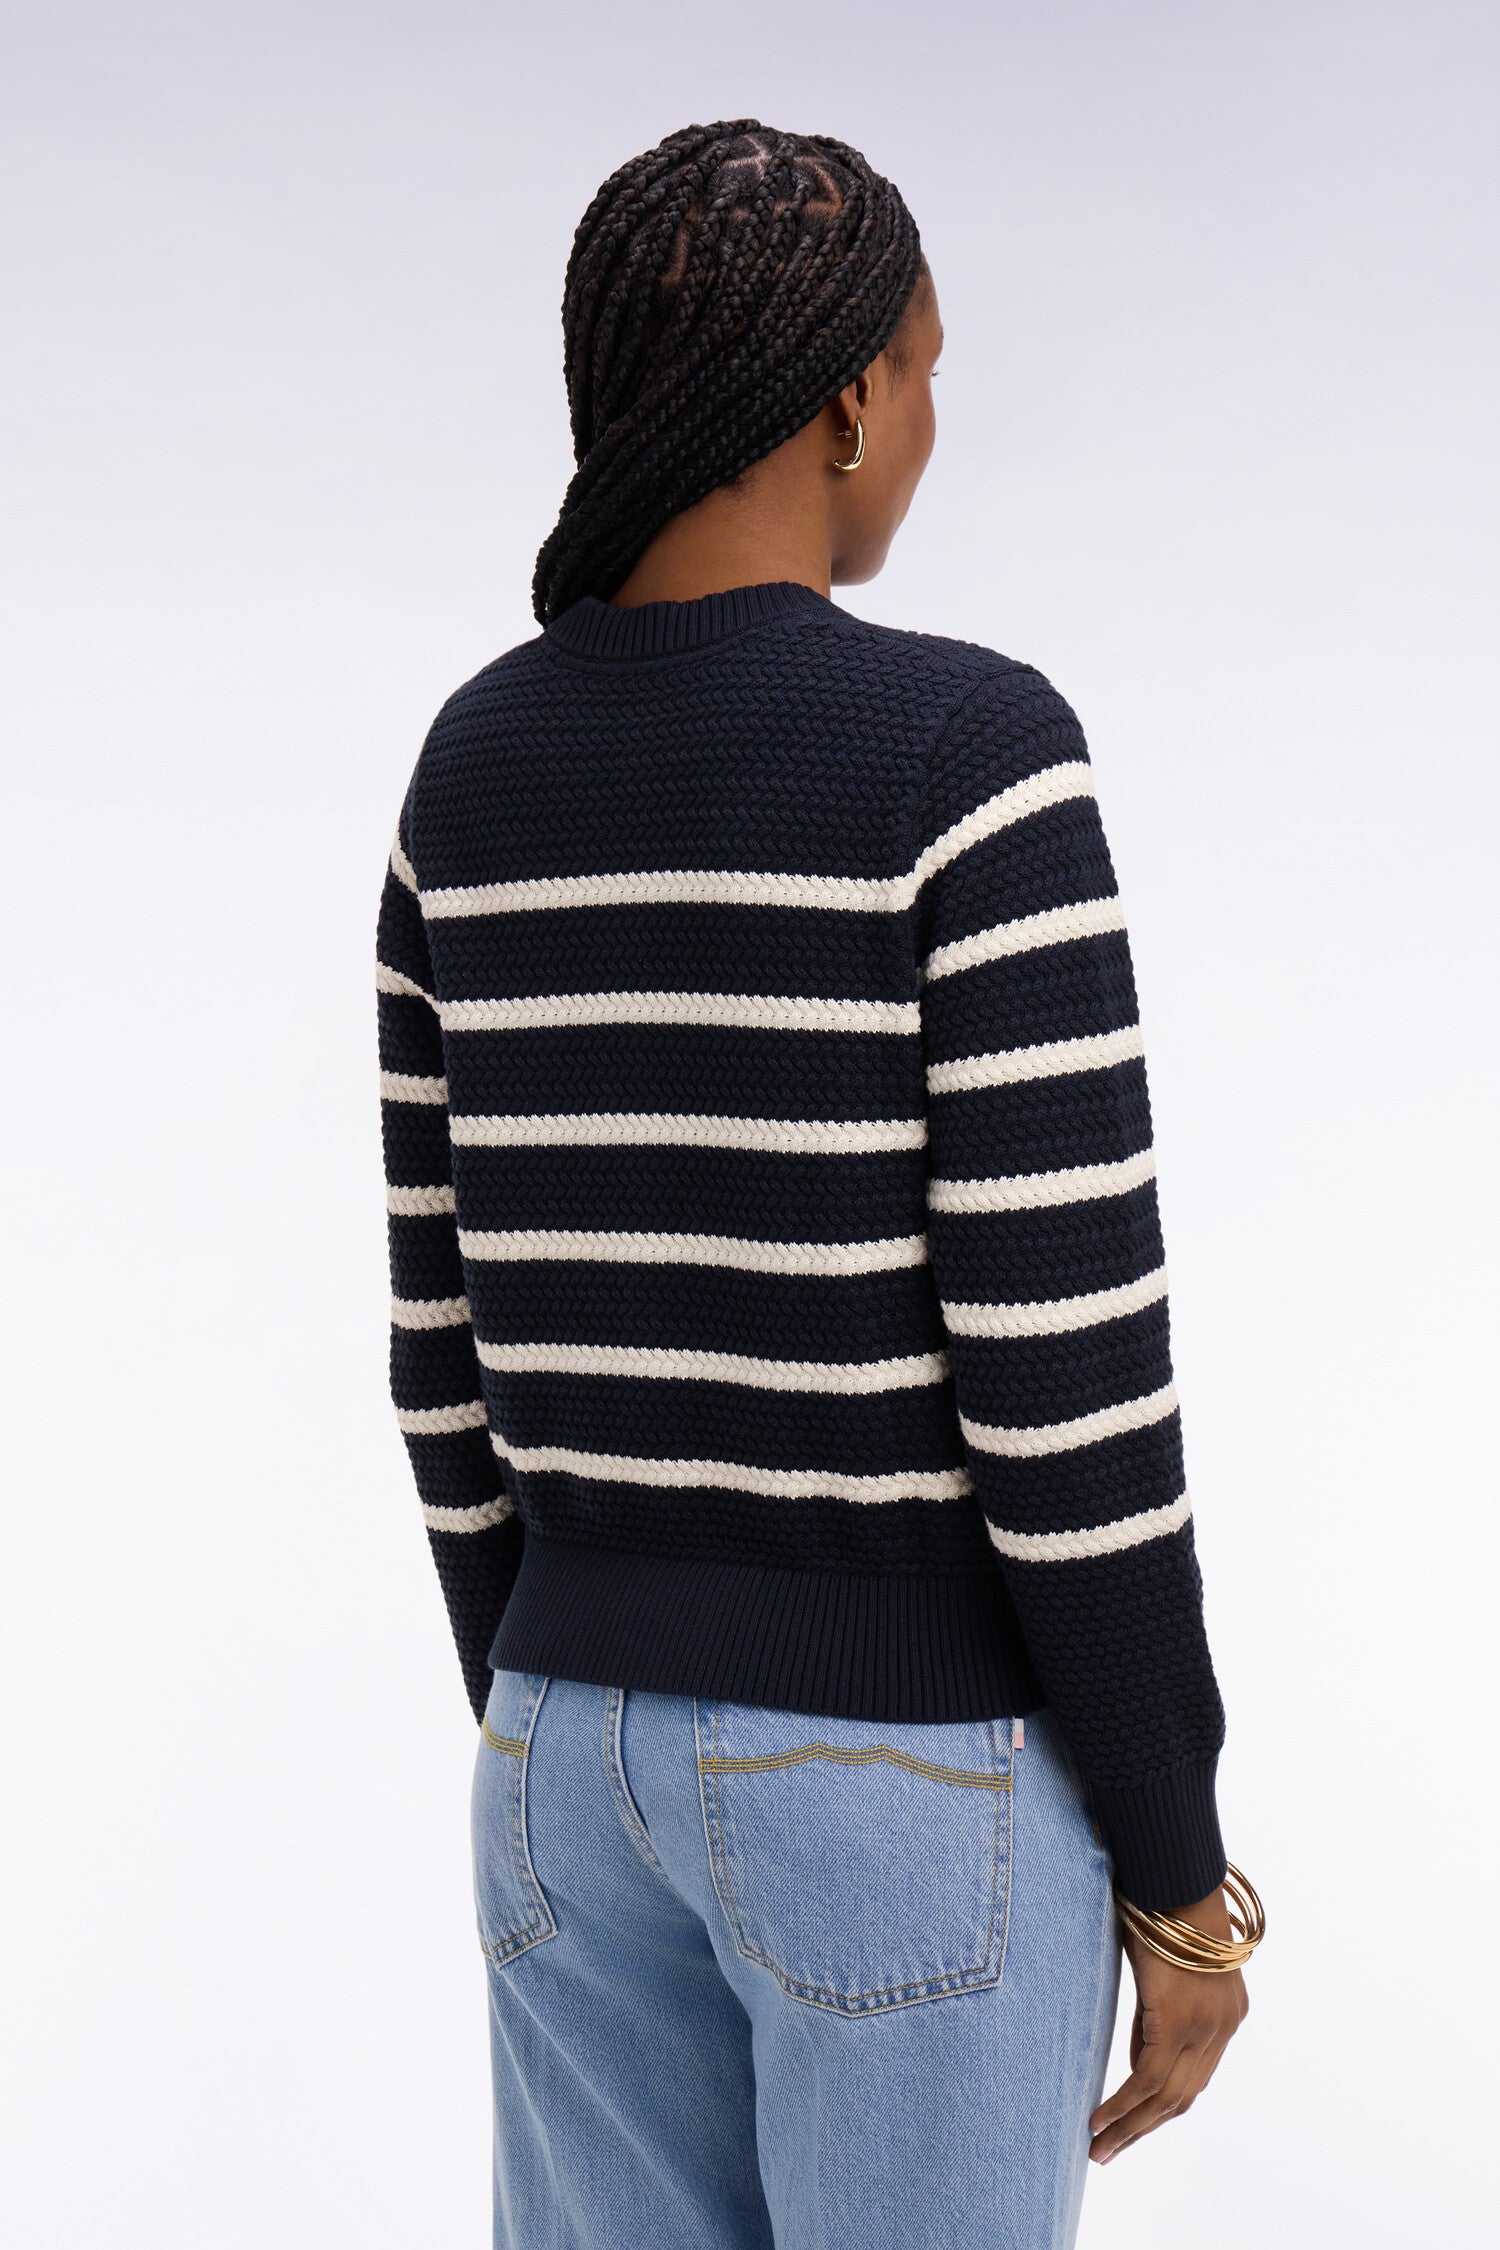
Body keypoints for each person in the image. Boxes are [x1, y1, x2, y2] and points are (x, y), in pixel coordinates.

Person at [376, 119, 1256, 2250]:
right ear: (848, 395)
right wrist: (1179, 1870)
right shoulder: (967, 761)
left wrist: (565, 1697)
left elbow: (441, 1355)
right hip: (899, 1764)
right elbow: (1066, 1387)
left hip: (556, 1758)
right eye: (927, 369)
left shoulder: (466, 774)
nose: (930, 422)